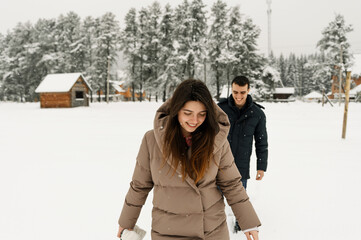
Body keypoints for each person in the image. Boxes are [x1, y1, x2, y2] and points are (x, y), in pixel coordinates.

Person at [117, 79, 261, 240]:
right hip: (168, 232)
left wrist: (249, 222)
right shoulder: (151, 140)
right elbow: (139, 185)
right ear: (176, 109)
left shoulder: (217, 140)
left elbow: (232, 185)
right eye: (187, 113)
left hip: (211, 232)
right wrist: (126, 222)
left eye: (202, 114)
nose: (194, 121)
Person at [218, 76, 268, 232]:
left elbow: (261, 142)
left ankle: (241, 225)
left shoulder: (257, 114)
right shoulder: (220, 109)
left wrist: (261, 167)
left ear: (248, 90)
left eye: (242, 92)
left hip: (241, 165)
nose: (238, 96)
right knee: (213, 199)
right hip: (218, 163)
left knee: (239, 198)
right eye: (235, 92)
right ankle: (215, 226)